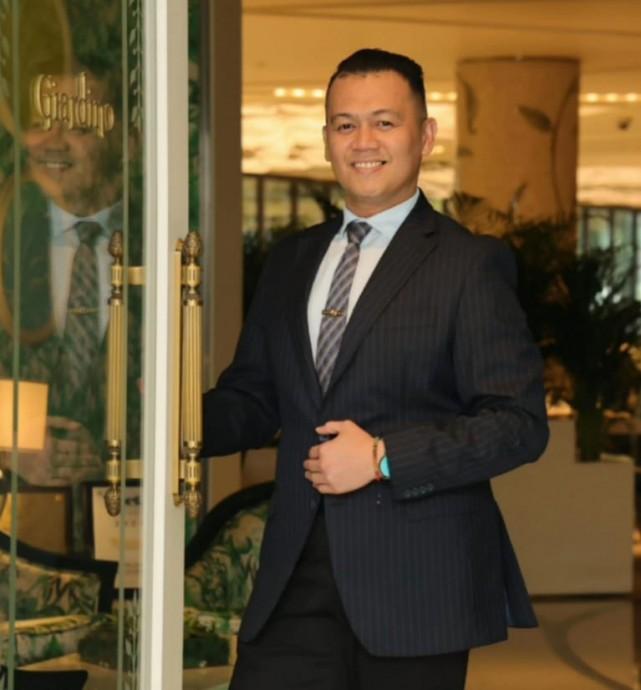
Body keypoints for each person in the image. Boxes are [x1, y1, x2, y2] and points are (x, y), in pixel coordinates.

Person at [202, 48, 549, 690]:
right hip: (294, 576)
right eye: (345, 124)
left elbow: (519, 423)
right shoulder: (291, 261)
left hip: (416, 586)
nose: (363, 142)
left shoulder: (468, 265)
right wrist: (165, 421)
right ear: (327, 139)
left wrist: (383, 457)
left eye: (385, 122)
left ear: (426, 136)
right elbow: (254, 398)